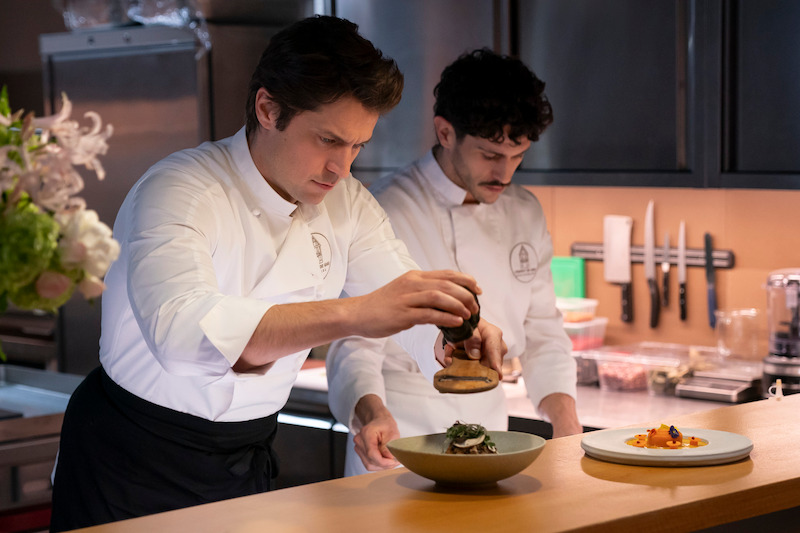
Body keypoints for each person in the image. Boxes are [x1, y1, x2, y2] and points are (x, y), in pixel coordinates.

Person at [49, 17, 506, 532]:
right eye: (328, 140)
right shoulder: (179, 189)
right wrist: (353, 314)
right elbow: (183, 338)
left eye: (357, 146)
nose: (342, 168)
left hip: (244, 459)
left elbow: (400, 290)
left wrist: (453, 333)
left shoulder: (347, 205)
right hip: (130, 460)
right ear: (268, 108)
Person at [326, 48, 583, 476]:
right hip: (398, 436)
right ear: (445, 133)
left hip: (492, 436)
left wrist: (566, 421)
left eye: (518, 155)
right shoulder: (384, 208)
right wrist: (372, 415)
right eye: (490, 155)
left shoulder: (525, 212)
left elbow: (543, 332)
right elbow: (354, 342)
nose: (506, 173)